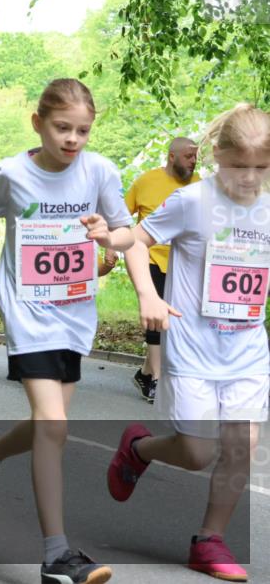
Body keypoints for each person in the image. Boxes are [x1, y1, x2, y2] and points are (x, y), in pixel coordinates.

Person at [0, 79, 133, 584]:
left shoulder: (100, 172)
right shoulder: (11, 174)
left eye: (83, 131)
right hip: (27, 309)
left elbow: (128, 233)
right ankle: (56, 555)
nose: (73, 139)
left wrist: (107, 237)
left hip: (74, 310)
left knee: (52, 426)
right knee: (52, 425)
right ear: (38, 123)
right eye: (62, 127)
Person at [108, 104, 269, 582]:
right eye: (240, 167)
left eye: (262, 168)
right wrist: (147, 295)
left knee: (242, 445)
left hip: (247, 351)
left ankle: (208, 540)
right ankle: (139, 449)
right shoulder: (192, 201)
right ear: (217, 156)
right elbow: (134, 241)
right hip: (194, 348)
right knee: (197, 453)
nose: (250, 177)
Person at [112, 136, 199, 403]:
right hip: (149, 257)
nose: (193, 162)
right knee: (157, 319)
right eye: (188, 156)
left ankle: (145, 373)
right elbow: (121, 215)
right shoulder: (146, 181)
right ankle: (158, 380)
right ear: (172, 156)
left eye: (196, 157)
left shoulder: (200, 187)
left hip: (183, 265)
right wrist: (111, 248)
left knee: (172, 322)